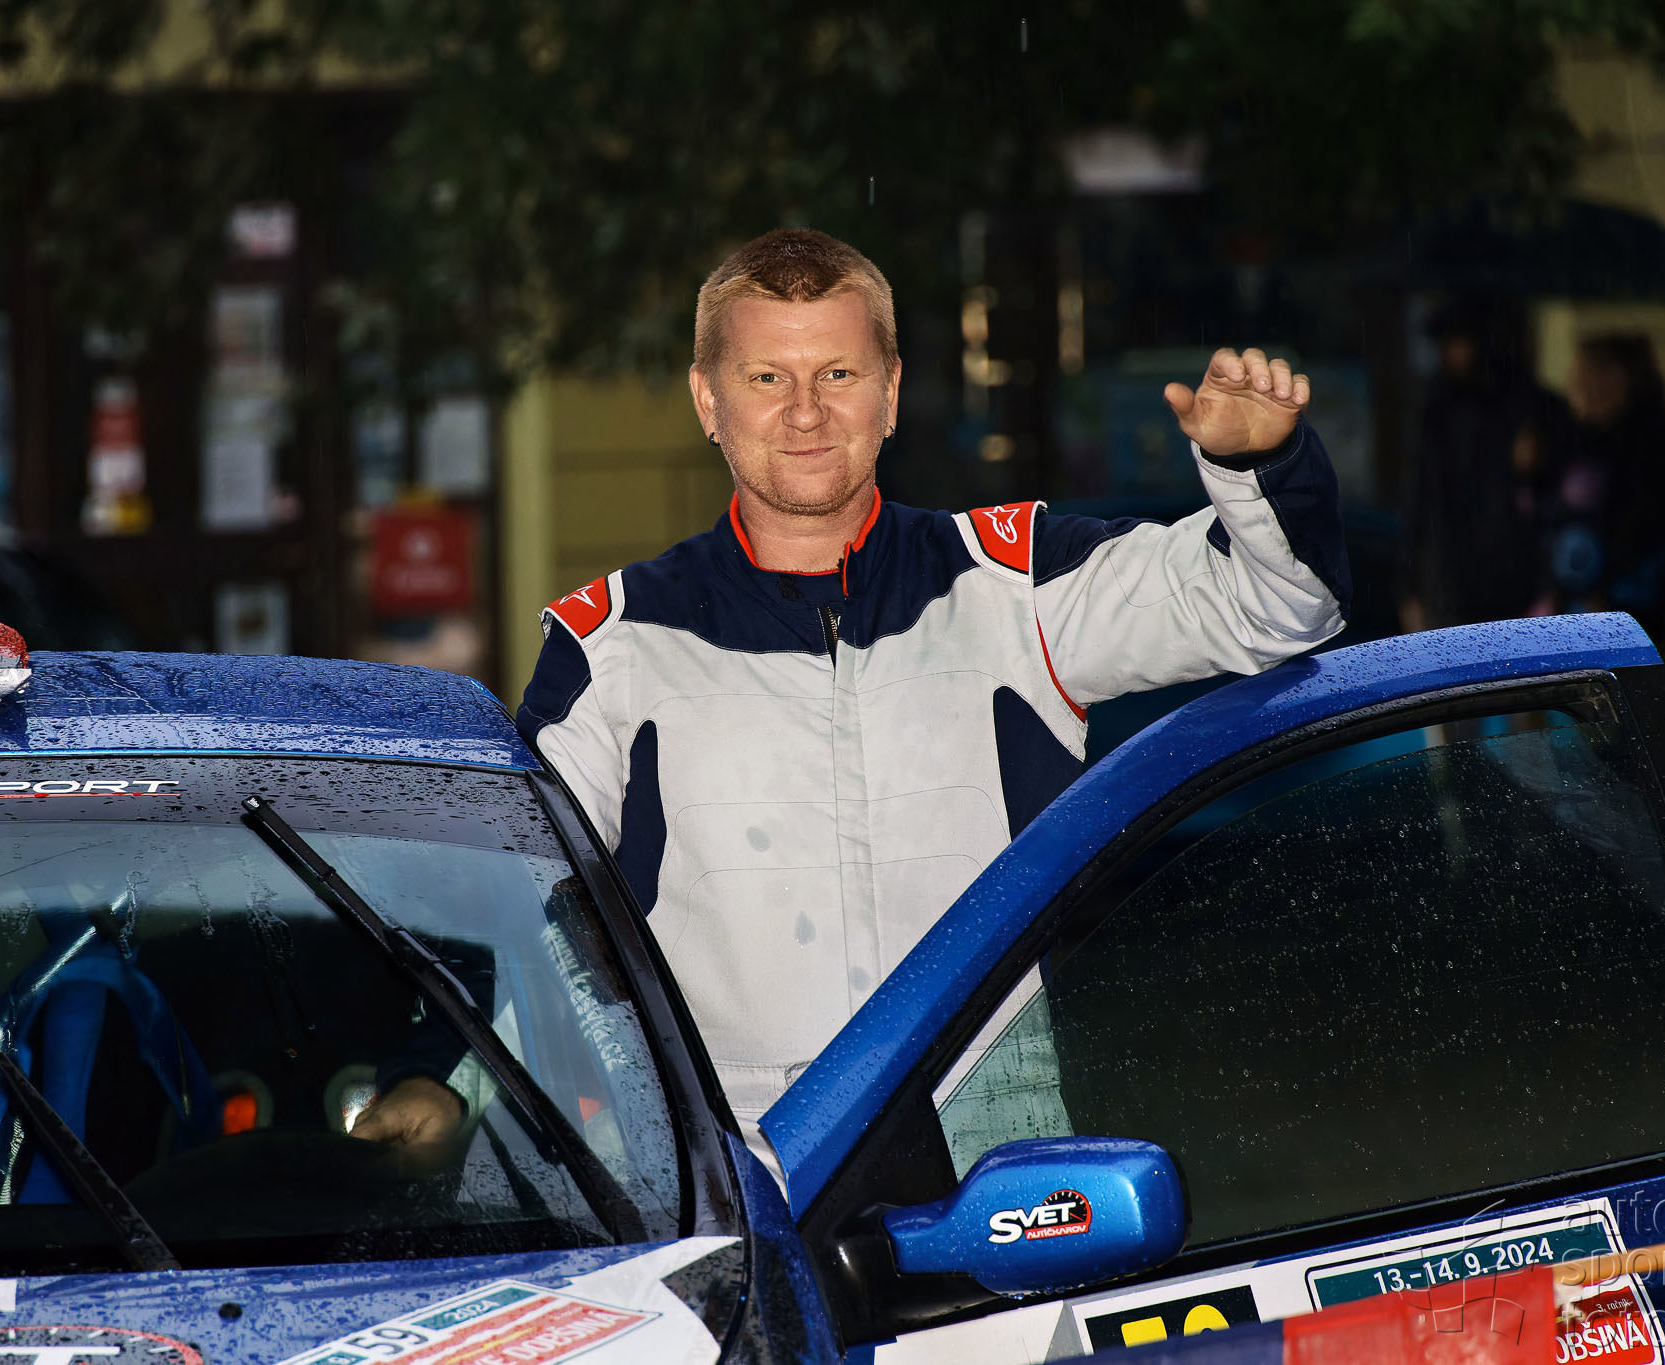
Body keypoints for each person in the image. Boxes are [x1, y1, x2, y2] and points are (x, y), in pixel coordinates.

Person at [480, 228, 1344, 1156]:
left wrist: (1258, 467)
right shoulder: (609, 644)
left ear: (889, 393)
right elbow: (509, 901)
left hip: (995, 1148)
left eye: (838, 374)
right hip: (734, 1165)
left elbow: (1281, 609)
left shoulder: (1014, 586)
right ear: (708, 401)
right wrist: (438, 1083)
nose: (805, 411)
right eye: (767, 377)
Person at [1399, 299, 1568, 633]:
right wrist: (1409, 590)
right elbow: (1418, 502)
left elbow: (1553, 500)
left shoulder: (1529, 405)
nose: (1455, 353)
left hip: (1512, 584)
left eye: (1462, 341)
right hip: (1449, 587)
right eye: (1448, 343)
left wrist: (1534, 465)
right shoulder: (1435, 409)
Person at [1540, 332, 1665, 653]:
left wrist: (1599, 588)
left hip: (1638, 618)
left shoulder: (1652, 441)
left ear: (1616, 380)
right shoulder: (1575, 438)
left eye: (1586, 375)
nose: (1575, 385)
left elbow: (1646, 526)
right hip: (1579, 615)